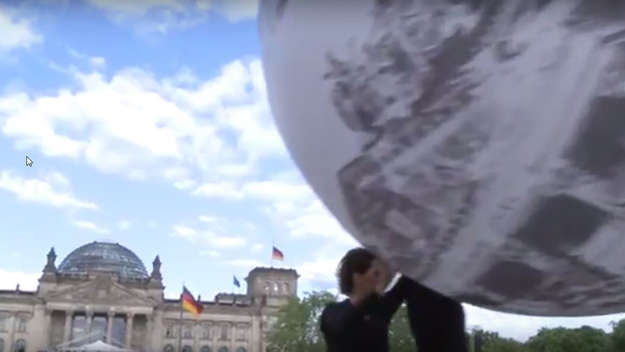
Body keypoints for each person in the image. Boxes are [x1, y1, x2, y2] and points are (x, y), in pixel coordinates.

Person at [320, 247, 467, 352]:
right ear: (357, 277)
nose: (382, 279)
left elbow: (410, 280)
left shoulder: (378, 309)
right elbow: (343, 322)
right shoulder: (332, 312)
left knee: (425, 289)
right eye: (376, 273)